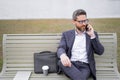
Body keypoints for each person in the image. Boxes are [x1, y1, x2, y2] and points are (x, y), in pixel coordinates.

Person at [57, 9, 104, 80]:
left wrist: (92, 36)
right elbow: (61, 48)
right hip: (70, 64)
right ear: (73, 21)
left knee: (81, 78)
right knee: (61, 62)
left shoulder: (92, 34)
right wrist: (63, 55)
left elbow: (100, 52)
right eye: (81, 21)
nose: (84, 24)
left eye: (85, 20)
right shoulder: (66, 34)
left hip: (85, 66)